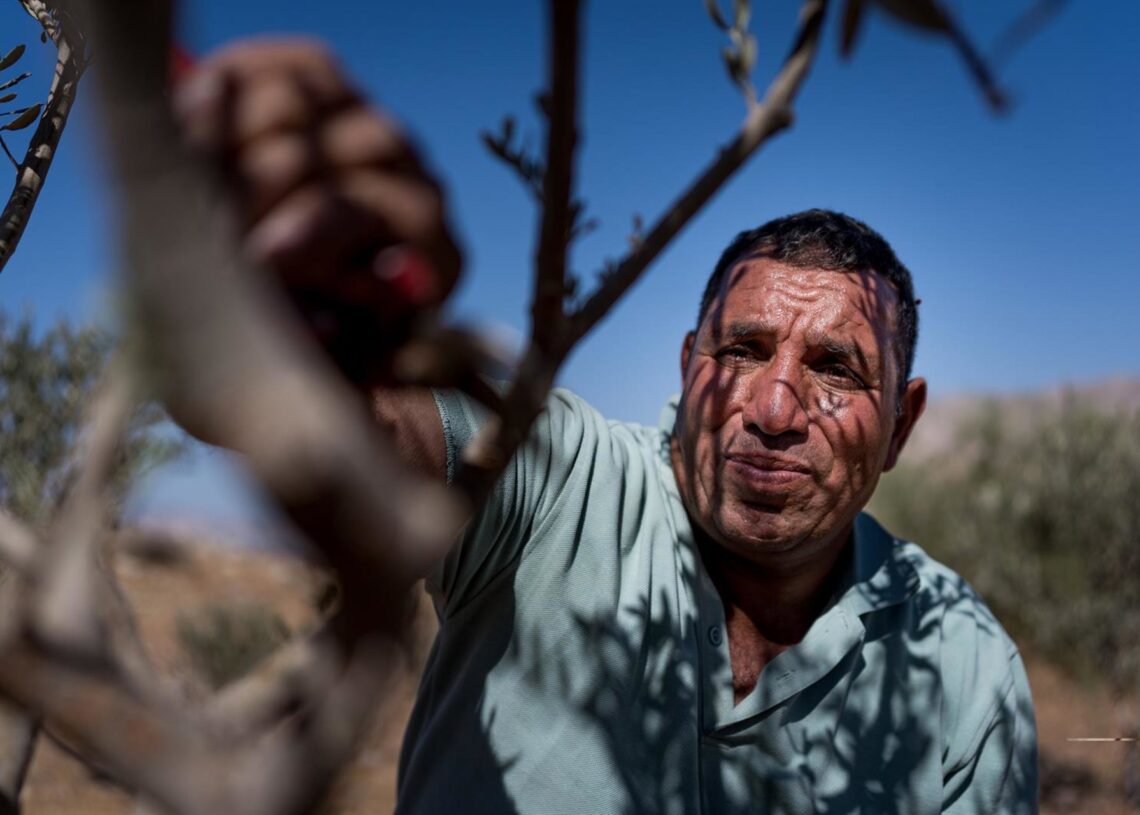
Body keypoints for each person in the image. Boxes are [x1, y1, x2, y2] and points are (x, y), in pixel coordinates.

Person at [177, 39, 1038, 815]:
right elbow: (315, 415)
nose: (774, 411)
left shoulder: (964, 669)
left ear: (900, 426)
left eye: (836, 370)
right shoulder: (560, 479)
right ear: (687, 364)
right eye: (742, 351)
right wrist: (258, 293)